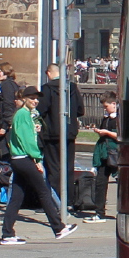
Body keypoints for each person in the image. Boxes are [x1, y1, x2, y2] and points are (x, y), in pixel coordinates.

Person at [0, 87, 76, 245]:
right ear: (24, 98)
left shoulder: (25, 115)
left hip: (18, 159)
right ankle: (58, 227)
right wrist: (37, 158)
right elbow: (26, 140)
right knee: (44, 191)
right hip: (24, 158)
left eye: (37, 98)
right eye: (32, 98)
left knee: (16, 197)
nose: (35, 101)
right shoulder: (23, 114)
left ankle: (7, 233)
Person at [37, 63, 82, 198]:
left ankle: (55, 199)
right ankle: (68, 198)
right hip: (69, 133)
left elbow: (41, 110)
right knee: (68, 167)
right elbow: (80, 110)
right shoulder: (72, 87)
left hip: (51, 134)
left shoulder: (46, 89)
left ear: (49, 73)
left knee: (53, 167)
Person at [84, 92, 119, 223]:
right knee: (100, 183)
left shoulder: (119, 118)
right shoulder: (107, 118)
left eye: (106, 106)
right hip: (105, 154)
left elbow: (120, 136)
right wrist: (99, 132)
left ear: (114, 104)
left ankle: (124, 211)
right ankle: (99, 212)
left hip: (115, 153)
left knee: (121, 183)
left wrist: (107, 133)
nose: (105, 109)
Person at [0, 62, 20, 162]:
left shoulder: (6, 85)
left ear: (6, 72)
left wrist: (4, 126)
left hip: (6, 126)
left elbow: (8, 106)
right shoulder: (12, 84)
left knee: (4, 156)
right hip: (10, 124)